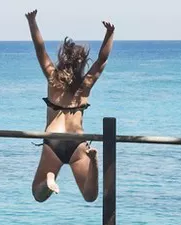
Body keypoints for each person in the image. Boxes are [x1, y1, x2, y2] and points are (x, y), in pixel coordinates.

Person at [25, 10, 114, 201]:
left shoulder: (53, 79)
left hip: (53, 138)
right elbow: (102, 60)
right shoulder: (85, 85)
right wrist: (110, 34)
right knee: (90, 196)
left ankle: (50, 178)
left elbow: (40, 49)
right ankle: (94, 162)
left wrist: (32, 21)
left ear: (63, 59)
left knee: (38, 195)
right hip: (78, 141)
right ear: (81, 64)